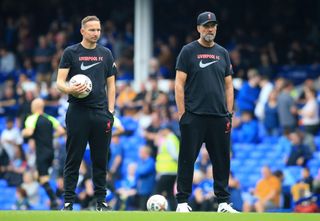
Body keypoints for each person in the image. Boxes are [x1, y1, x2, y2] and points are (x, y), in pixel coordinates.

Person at [174, 11, 238, 213]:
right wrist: (182, 113)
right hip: (194, 115)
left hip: (219, 117)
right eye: (206, 26)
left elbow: (229, 86)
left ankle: (223, 203)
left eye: (213, 26)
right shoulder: (188, 51)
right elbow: (178, 84)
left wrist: (229, 113)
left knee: (222, 161)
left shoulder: (223, 53)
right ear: (199, 28)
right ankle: (182, 202)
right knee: (187, 159)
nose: (210, 29)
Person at [56, 15, 117, 211]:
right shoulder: (71, 52)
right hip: (77, 112)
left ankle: (101, 202)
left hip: (101, 113)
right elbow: (59, 82)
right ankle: (68, 202)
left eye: (98, 30)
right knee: (73, 158)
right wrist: (70, 90)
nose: (96, 33)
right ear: (82, 31)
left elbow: (111, 85)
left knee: (101, 159)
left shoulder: (106, 53)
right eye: (92, 30)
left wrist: (111, 111)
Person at [22, 98, 65, 209]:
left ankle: (54, 200)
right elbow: (61, 131)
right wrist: (51, 137)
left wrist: (23, 132)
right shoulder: (50, 118)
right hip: (51, 152)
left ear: (35, 107)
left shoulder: (32, 118)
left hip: (41, 152)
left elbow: (30, 132)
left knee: (43, 178)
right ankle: (54, 198)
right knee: (40, 176)